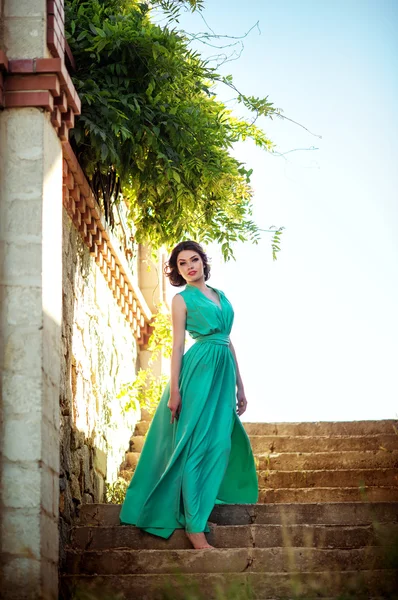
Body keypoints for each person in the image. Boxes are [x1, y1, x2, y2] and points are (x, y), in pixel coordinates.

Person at [120, 241, 258, 549]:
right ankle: (195, 528)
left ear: (203, 262)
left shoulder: (221, 297)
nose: (190, 266)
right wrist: (175, 390)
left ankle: (195, 509)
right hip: (197, 372)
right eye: (182, 264)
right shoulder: (181, 300)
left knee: (220, 445)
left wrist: (241, 385)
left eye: (194, 260)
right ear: (178, 270)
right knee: (194, 447)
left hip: (222, 374)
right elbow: (178, 346)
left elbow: (227, 341)